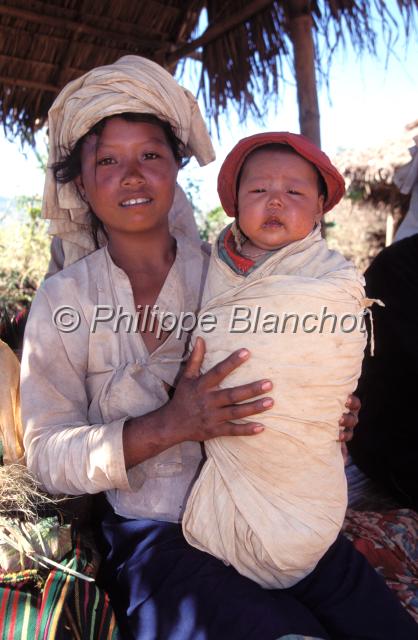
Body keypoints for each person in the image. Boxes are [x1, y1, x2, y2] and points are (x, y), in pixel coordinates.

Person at [20, 56, 385, 640]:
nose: (132, 175)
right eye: (108, 161)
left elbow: (298, 362)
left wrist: (317, 412)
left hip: (273, 512)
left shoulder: (236, 276)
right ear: (82, 185)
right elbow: (45, 454)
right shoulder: (64, 301)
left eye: (151, 156)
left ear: (175, 173)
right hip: (160, 538)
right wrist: (169, 424)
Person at [181, 133, 418, 639]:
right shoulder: (209, 270)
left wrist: (319, 398)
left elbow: (328, 369)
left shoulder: (334, 282)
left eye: (294, 192)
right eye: (258, 190)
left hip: (305, 481)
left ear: (319, 208)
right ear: (234, 203)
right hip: (230, 476)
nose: (274, 201)